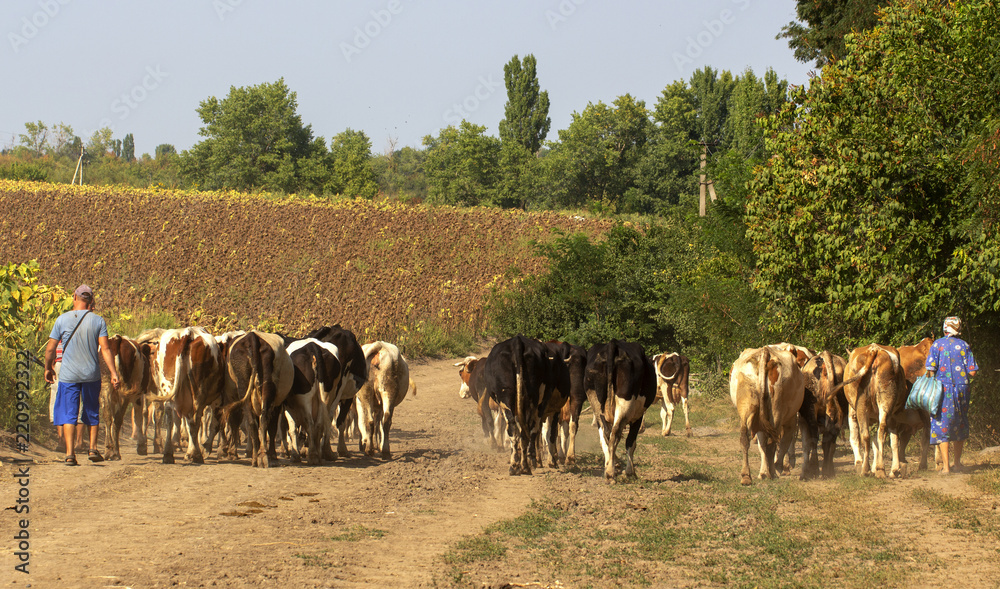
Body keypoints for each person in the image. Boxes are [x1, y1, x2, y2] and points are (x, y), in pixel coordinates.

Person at [43, 285, 120, 465]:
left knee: (69, 412)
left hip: (68, 375)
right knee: (91, 410)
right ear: (91, 301)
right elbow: (106, 349)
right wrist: (113, 372)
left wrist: (48, 368)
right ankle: (92, 448)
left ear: (74, 297)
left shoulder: (61, 319)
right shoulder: (98, 321)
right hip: (91, 374)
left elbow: (50, 349)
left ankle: (70, 454)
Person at [925, 316, 978, 475]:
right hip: (962, 389)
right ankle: (958, 463)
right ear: (958, 328)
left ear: (945, 328)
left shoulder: (937, 345)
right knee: (960, 421)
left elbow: (930, 368)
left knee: (942, 424)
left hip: (943, 389)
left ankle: (946, 468)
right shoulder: (964, 345)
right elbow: (973, 372)